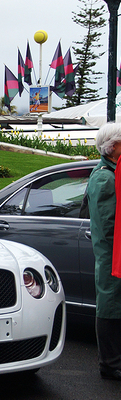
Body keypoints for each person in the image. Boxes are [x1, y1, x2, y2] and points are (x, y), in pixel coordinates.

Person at [87, 122, 121, 380]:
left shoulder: (111, 172)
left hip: (113, 254)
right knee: (109, 305)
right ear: (112, 147)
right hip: (111, 255)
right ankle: (110, 364)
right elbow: (107, 223)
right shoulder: (104, 176)